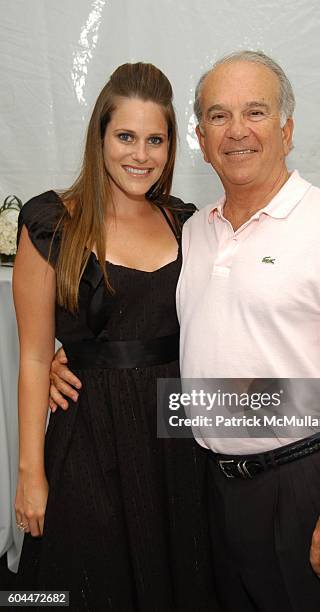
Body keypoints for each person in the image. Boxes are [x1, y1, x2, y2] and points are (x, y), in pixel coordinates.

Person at [49, 51, 320, 611]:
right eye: (218, 115)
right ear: (201, 139)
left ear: (286, 129)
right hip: (209, 484)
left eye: (255, 112)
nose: (237, 131)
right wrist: (68, 358)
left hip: (308, 480)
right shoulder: (194, 232)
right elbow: (143, 324)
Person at [14, 62, 217, 611]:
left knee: (174, 576)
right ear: (99, 136)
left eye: (155, 139)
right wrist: (30, 475)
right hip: (89, 433)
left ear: (171, 146)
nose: (140, 154)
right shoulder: (52, 224)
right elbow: (34, 358)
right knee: (83, 579)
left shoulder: (186, 223)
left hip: (174, 435)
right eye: (125, 136)